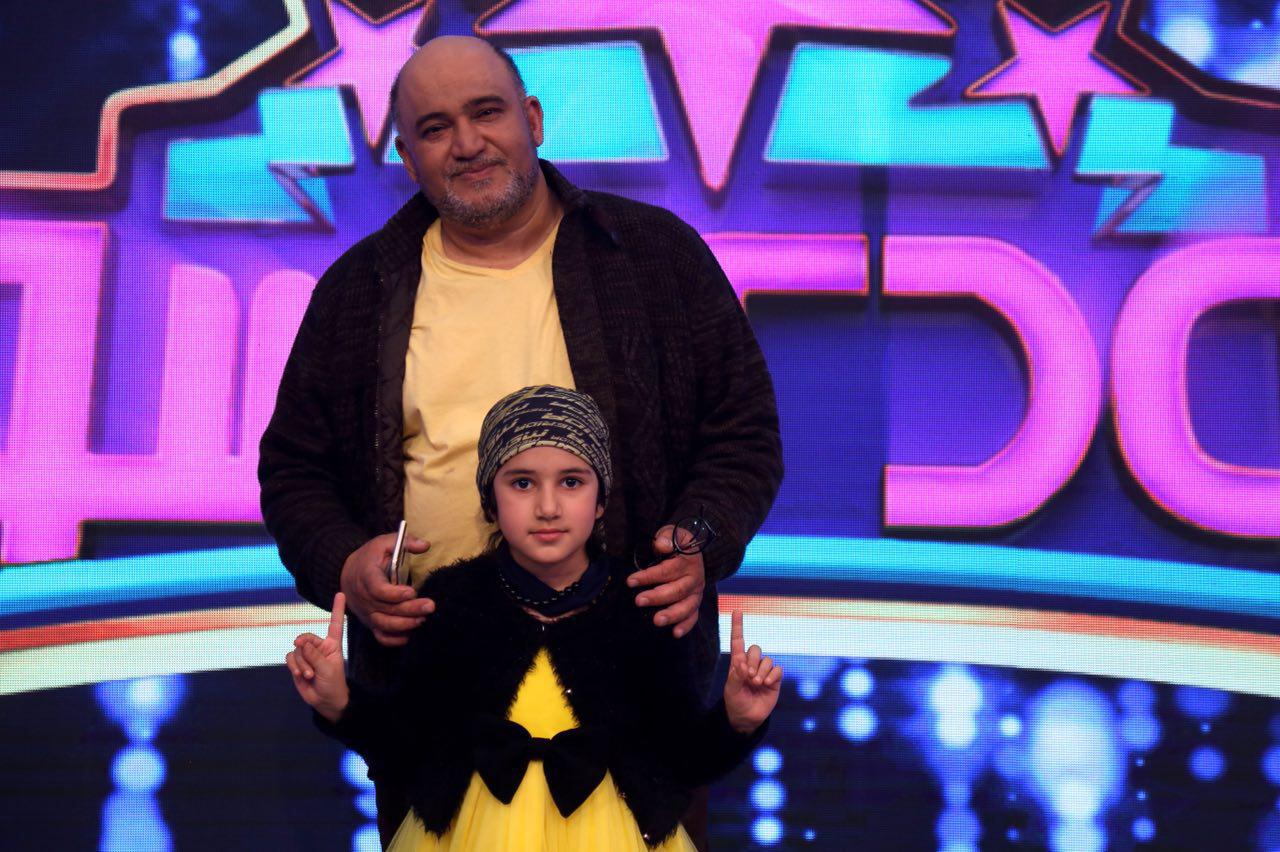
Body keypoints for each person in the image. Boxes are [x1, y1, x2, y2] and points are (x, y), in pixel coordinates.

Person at [258, 34, 782, 845]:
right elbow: (296, 469)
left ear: (532, 120)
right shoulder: (361, 288)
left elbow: (743, 432)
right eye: (435, 128)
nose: (467, 143)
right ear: (407, 156)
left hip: (632, 706)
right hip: (431, 709)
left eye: (486, 112)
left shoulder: (653, 257)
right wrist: (344, 565)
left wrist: (697, 542)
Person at [284, 386, 783, 850]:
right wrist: (339, 702)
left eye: (571, 482)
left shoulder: (642, 607)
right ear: (490, 500)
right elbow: (407, 748)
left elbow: (682, 760)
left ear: (601, 500)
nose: (547, 507)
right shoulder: (451, 602)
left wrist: (737, 719)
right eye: (522, 483)